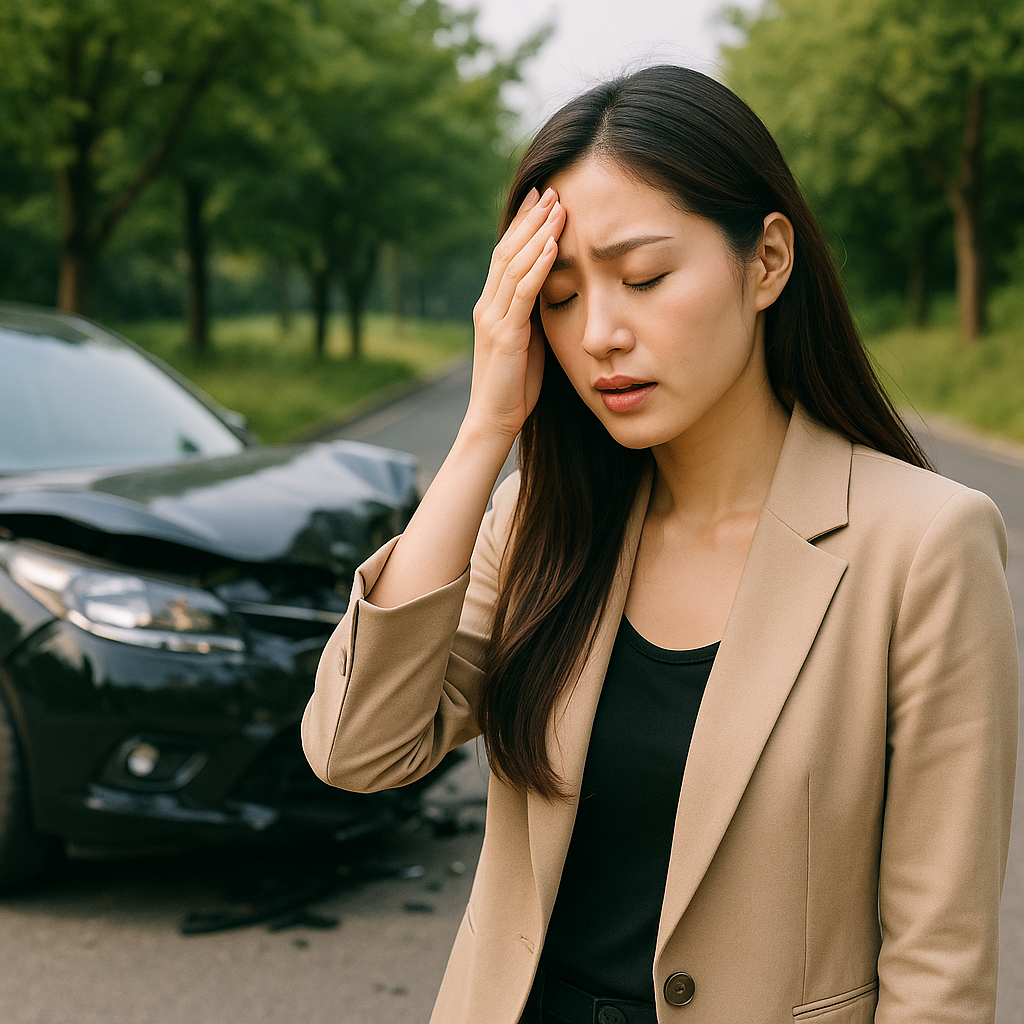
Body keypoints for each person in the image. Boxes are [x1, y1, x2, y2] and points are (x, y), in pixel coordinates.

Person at [301, 66, 1018, 1024]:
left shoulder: (923, 547)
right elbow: (357, 748)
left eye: (643, 277)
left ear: (767, 261)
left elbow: (940, 969)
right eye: (556, 297)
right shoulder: (536, 526)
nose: (599, 333)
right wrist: (485, 430)